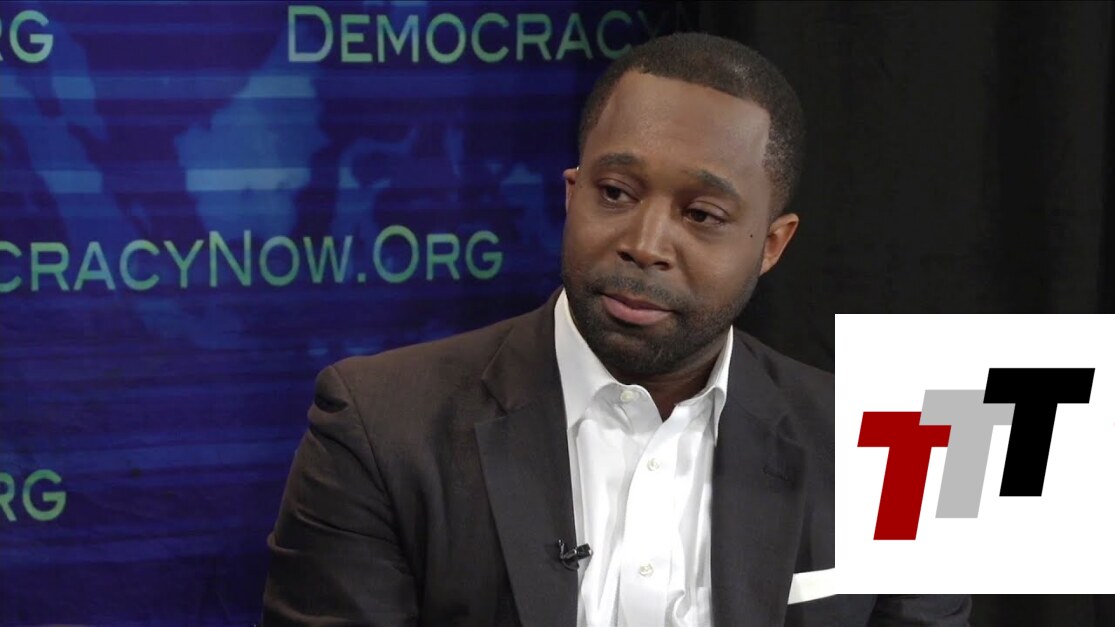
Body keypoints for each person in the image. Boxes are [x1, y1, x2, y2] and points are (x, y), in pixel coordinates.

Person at [262, 32, 971, 626]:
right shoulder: (379, 427)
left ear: (772, 244)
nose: (645, 243)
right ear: (572, 193)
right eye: (616, 192)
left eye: (702, 214)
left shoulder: (898, 447)